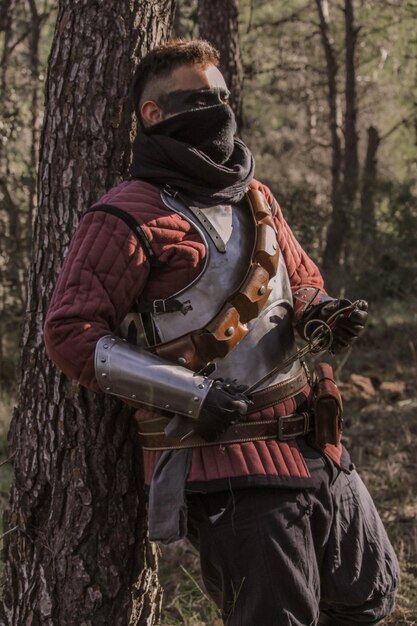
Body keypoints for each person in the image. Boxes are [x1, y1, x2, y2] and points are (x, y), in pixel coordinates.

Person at [44, 39, 399, 626]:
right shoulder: (125, 215)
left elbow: (302, 282)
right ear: (152, 114)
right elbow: (71, 332)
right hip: (225, 463)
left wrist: (324, 314)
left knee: (367, 594)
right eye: (199, 98)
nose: (219, 109)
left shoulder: (258, 200)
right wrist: (193, 394)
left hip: (314, 438)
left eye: (223, 96)